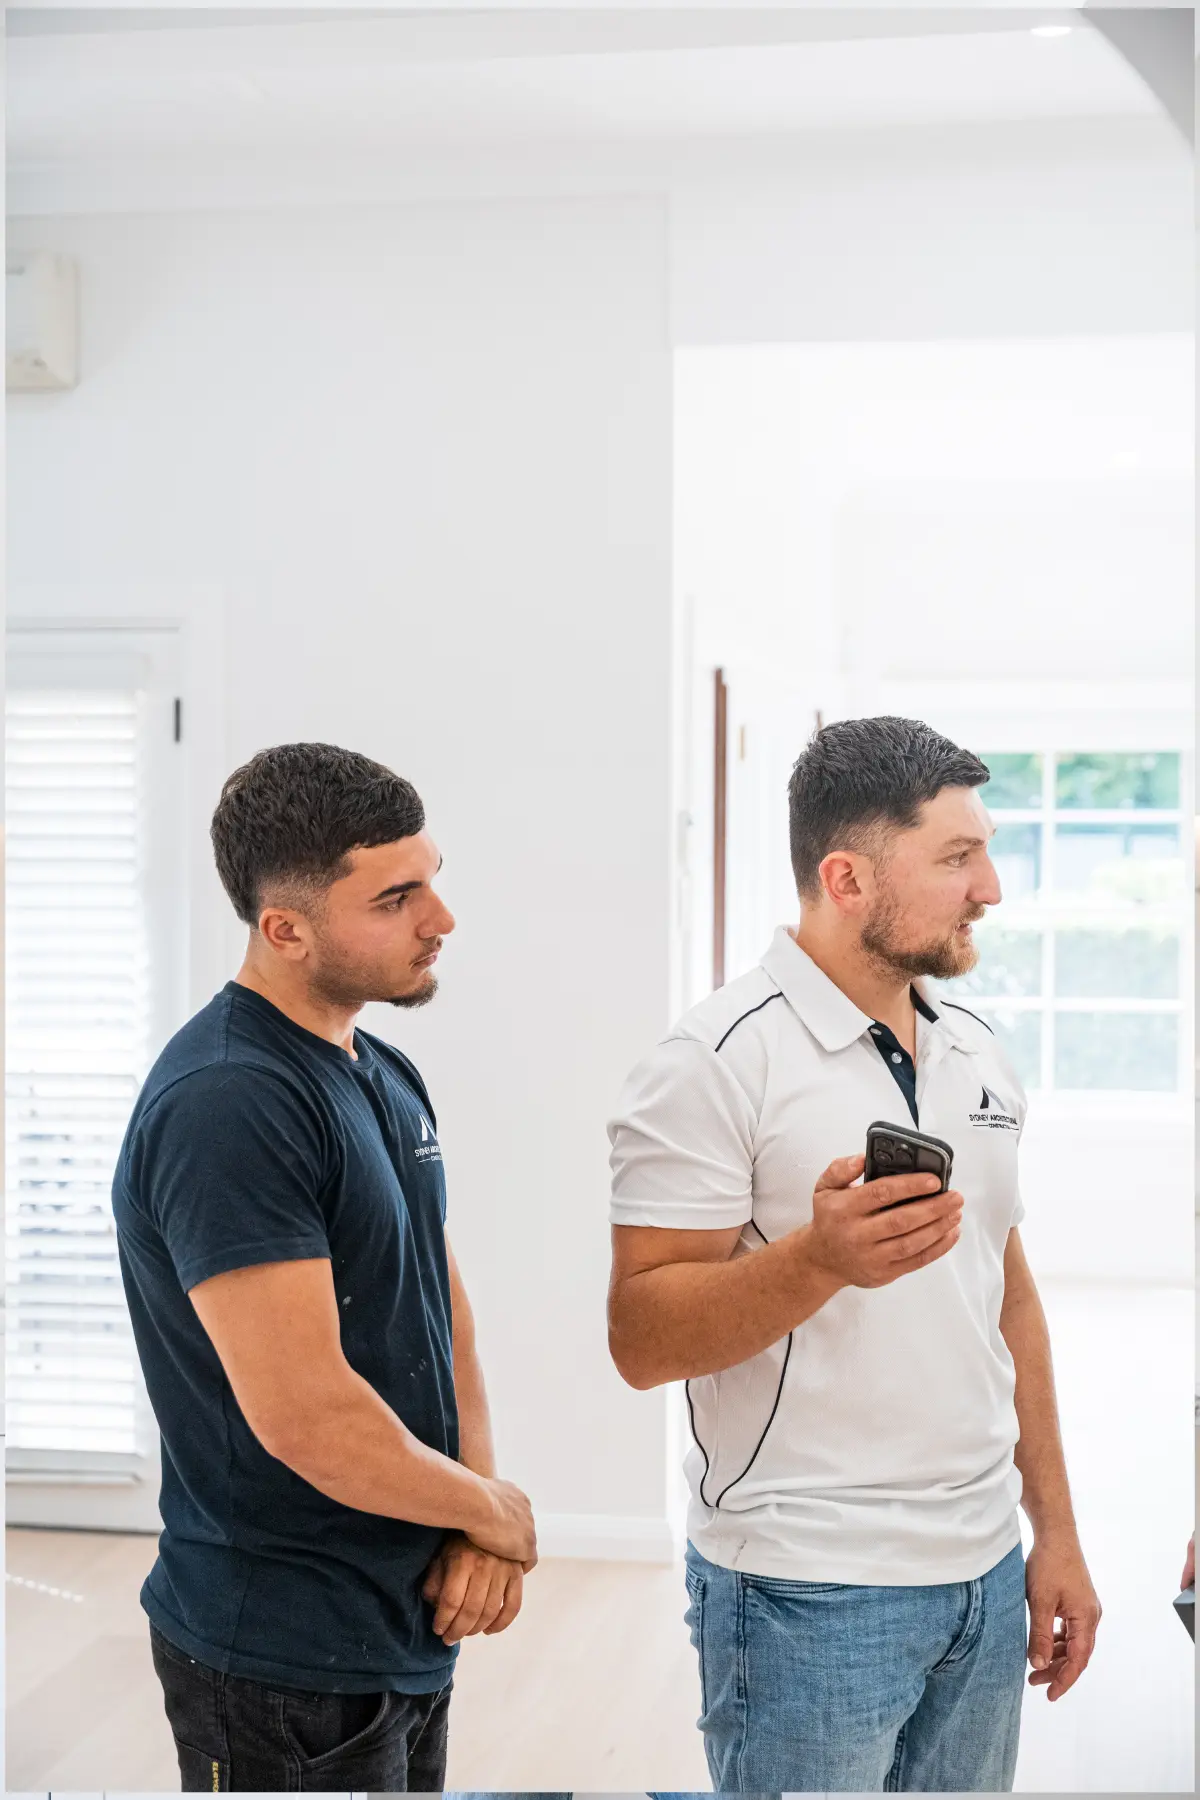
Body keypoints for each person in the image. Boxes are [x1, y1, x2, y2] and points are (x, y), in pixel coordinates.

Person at [607, 716, 1101, 1794]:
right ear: (846, 878)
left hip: (982, 1569)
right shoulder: (711, 1063)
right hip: (804, 1592)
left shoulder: (977, 1051)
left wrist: (1052, 1532)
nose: (993, 890)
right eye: (958, 859)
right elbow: (642, 1340)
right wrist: (818, 1260)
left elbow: (1006, 1303)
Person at [113, 742, 536, 1792]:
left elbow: (446, 1313)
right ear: (285, 929)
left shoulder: (380, 1068)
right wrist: (491, 1514)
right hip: (277, 1655)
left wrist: (476, 1517)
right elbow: (305, 1412)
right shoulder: (230, 1104)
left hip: (399, 1615)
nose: (440, 918)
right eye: (396, 897)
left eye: (432, 880)